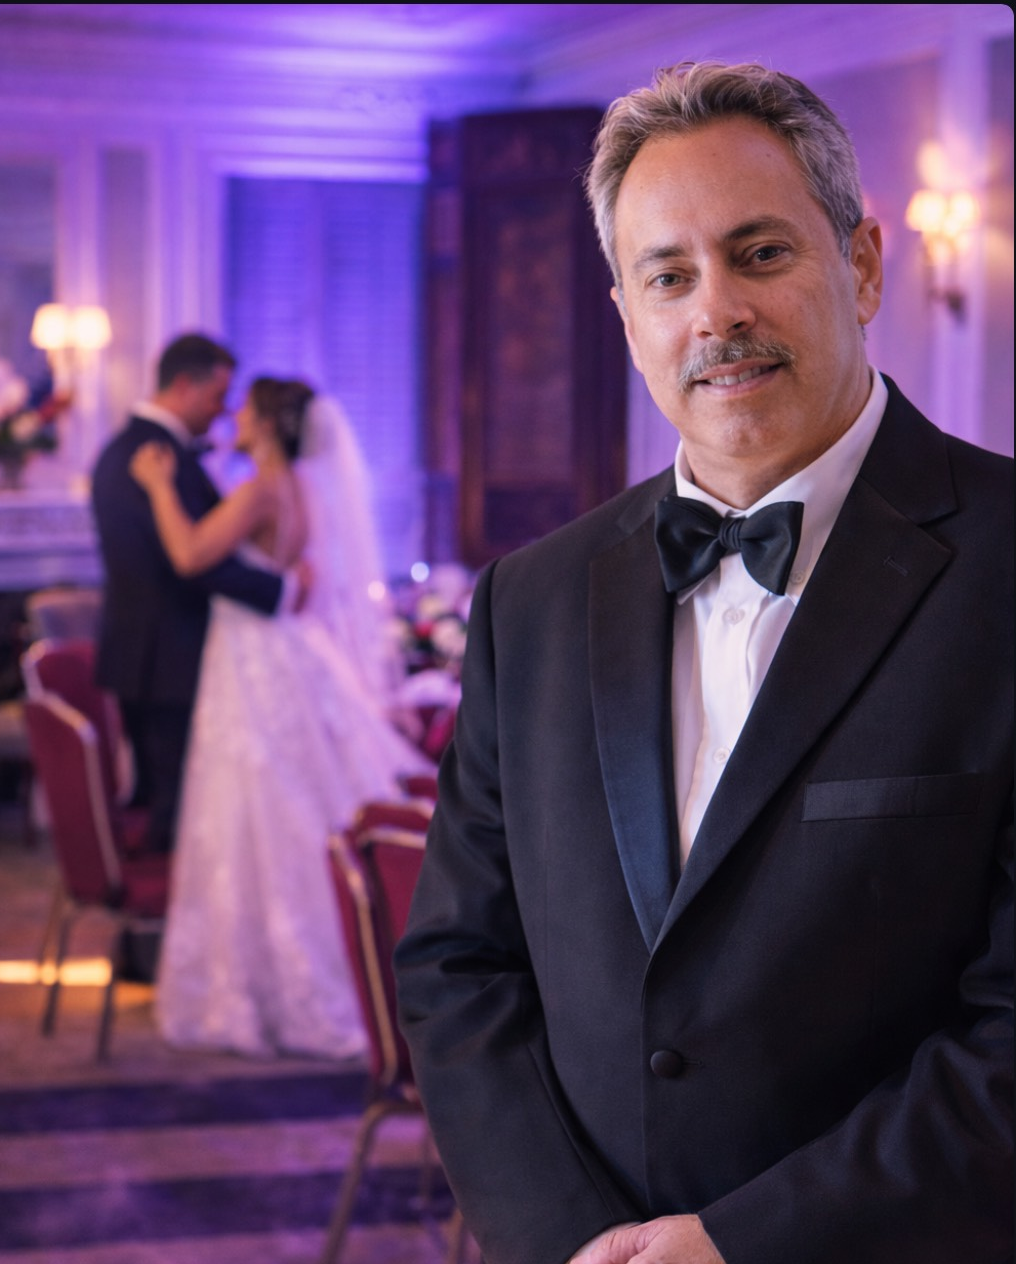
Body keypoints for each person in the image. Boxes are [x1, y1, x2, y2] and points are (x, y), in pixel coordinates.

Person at [394, 62, 1012, 1264]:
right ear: (626, 317)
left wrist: (742, 1243)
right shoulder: (531, 599)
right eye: (668, 276)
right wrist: (571, 1239)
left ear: (865, 264)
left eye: (761, 254)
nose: (714, 312)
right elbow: (458, 966)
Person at [130, 376, 431, 1057]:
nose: (234, 416)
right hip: (281, 651)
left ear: (265, 422)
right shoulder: (303, 486)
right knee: (286, 804)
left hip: (252, 661)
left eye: (245, 408)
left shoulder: (262, 487)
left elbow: (189, 554)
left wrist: (156, 488)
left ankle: (266, 984)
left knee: (255, 808)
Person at [92, 333, 298, 855]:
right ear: (184, 385)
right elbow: (190, 563)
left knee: (185, 806)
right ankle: (159, 928)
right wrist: (282, 591)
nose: (224, 411)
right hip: (165, 659)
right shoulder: (149, 456)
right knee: (174, 812)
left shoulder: (139, 452)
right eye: (216, 396)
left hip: (166, 657)